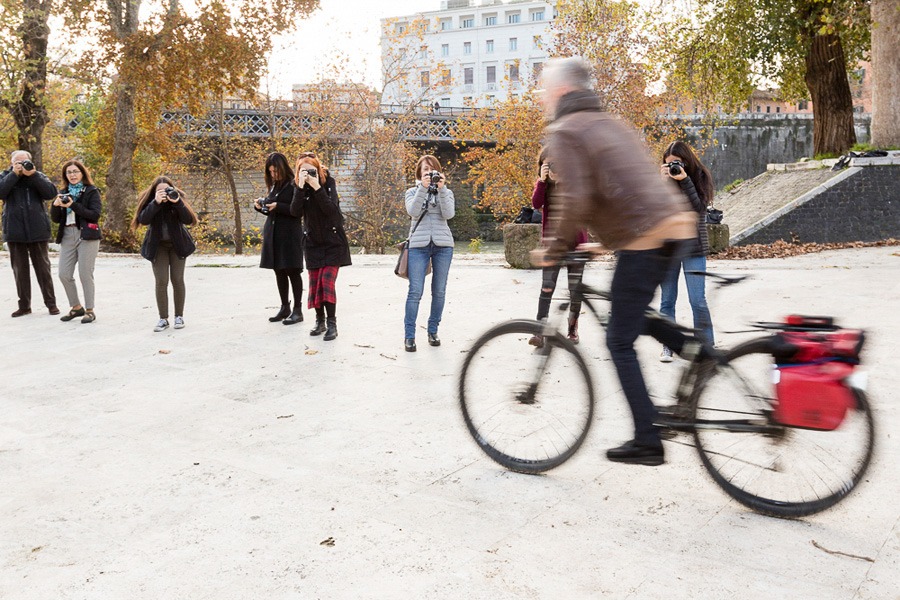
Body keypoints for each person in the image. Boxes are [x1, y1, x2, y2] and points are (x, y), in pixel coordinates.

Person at [532, 57, 700, 466]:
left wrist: (552, 248)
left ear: (561, 91)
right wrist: (601, 242)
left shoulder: (566, 130)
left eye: (543, 88)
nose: (540, 96)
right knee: (627, 314)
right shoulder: (609, 122)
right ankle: (697, 350)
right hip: (672, 227)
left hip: (645, 237)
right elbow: (625, 187)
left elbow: (575, 197)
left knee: (617, 339)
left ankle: (648, 440)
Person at [658, 141, 716, 361]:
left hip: (694, 248)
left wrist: (685, 180)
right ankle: (668, 345)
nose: (673, 167)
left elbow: (700, 208)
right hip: (668, 248)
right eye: (669, 164)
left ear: (686, 161)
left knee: (697, 300)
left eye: (676, 163)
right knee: (667, 300)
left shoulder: (699, 175)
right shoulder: (664, 180)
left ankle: (707, 346)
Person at [528, 148, 588, 348]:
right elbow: (536, 204)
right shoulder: (543, 186)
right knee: (547, 287)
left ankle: (572, 329)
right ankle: (539, 332)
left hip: (576, 244)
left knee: (575, 290)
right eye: (548, 164)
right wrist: (542, 181)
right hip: (553, 245)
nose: (553, 167)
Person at [290, 152, 350, 341]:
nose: (307, 174)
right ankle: (319, 320)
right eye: (303, 170)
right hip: (312, 243)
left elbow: (333, 213)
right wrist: (300, 187)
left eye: (311, 170)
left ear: (318, 168)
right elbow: (294, 212)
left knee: (326, 282)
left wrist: (317, 187)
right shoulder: (298, 187)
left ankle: (332, 323)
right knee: (315, 285)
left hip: (333, 242)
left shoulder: (328, 183)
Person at [132, 176, 198, 332]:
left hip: (178, 245)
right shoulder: (151, 203)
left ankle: (179, 316)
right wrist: (155, 202)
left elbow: (189, 220)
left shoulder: (177, 200)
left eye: (166, 189)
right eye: (159, 190)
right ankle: (163, 318)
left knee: (178, 279)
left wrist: (177, 202)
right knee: (161, 281)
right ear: (154, 191)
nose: (164, 193)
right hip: (158, 246)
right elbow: (143, 220)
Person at [402, 155, 455, 352]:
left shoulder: (446, 191)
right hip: (418, 246)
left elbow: (449, 214)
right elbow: (413, 212)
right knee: (415, 291)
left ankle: (433, 331)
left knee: (439, 291)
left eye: (432, 170)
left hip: (443, 246)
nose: (429, 173)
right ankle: (409, 336)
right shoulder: (411, 191)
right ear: (419, 173)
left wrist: (441, 190)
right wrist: (423, 188)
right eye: (425, 170)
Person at [0, 150, 59, 317]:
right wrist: (13, 175)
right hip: (14, 229)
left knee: (43, 269)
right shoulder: (5, 176)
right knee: (20, 270)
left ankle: (51, 304)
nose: (21, 165)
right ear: (11, 163)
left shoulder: (37, 176)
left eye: (24, 161)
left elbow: (50, 193)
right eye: (17, 162)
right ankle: (24, 305)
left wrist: (33, 175)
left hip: (37, 229)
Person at [50, 160, 102, 324]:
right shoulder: (63, 192)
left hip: (86, 234)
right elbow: (56, 219)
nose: (72, 175)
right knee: (64, 274)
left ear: (82, 173)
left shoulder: (91, 191)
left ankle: (89, 310)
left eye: (75, 171)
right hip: (67, 234)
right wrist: (55, 205)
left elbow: (94, 214)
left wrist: (75, 205)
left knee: (85, 273)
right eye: (69, 172)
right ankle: (76, 306)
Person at [255, 152, 304, 325]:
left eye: (276, 171)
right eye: (271, 172)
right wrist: (260, 207)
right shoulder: (275, 185)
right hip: (274, 234)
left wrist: (279, 206)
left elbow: (297, 210)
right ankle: (285, 307)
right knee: (279, 270)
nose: (274, 175)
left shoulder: (294, 184)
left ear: (283, 167)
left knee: (292, 271)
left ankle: (298, 309)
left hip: (289, 235)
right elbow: (272, 208)